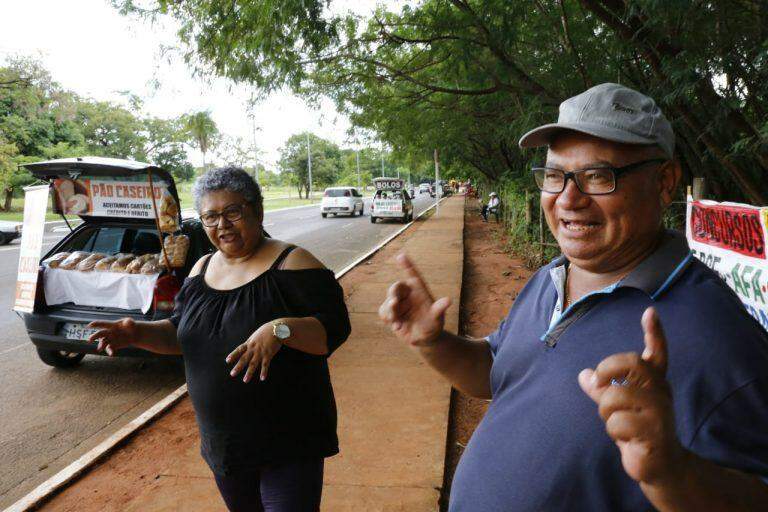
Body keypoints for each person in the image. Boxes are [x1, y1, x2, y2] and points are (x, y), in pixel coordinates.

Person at [379, 83, 768, 511]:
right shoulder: (553, 276)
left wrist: (672, 472)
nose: (568, 198)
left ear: (664, 182)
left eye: (599, 176)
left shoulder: (715, 337)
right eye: (554, 175)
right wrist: (434, 343)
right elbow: (497, 369)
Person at [88, 166, 351, 512]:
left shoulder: (293, 263)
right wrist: (136, 333)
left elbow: (332, 332)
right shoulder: (201, 269)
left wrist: (279, 330)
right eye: (210, 216)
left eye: (233, 212)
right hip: (226, 444)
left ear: (256, 210)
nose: (222, 225)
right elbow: (179, 334)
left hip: (287, 442)